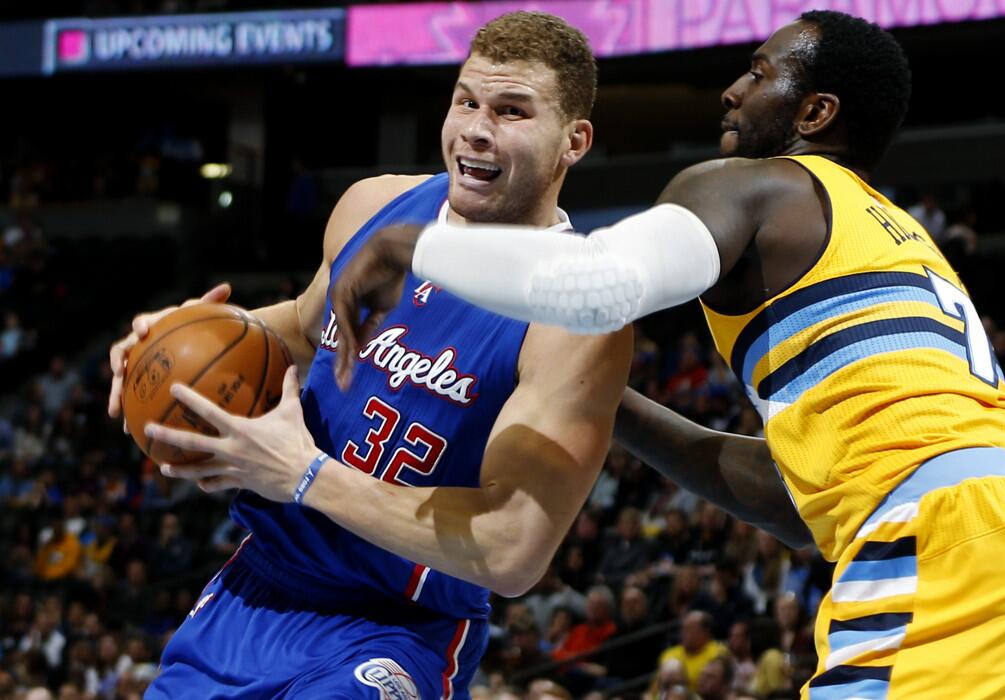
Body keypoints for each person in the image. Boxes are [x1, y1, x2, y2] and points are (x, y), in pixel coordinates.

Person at [331, 10, 1005, 698]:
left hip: (949, 534)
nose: (732, 91)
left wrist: (418, 248)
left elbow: (598, 283)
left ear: (814, 112)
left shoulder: (755, 185)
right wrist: (602, 399)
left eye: (757, 72)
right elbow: (792, 503)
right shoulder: (888, 236)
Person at [106, 12, 631, 699]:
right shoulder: (372, 206)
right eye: (466, 100)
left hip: (395, 628)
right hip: (254, 592)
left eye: (511, 111)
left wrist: (303, 473)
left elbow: (511, 549)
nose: (476, 127)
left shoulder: (578, 312)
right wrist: (182, 337)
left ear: (574, 142)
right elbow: (302, 326)